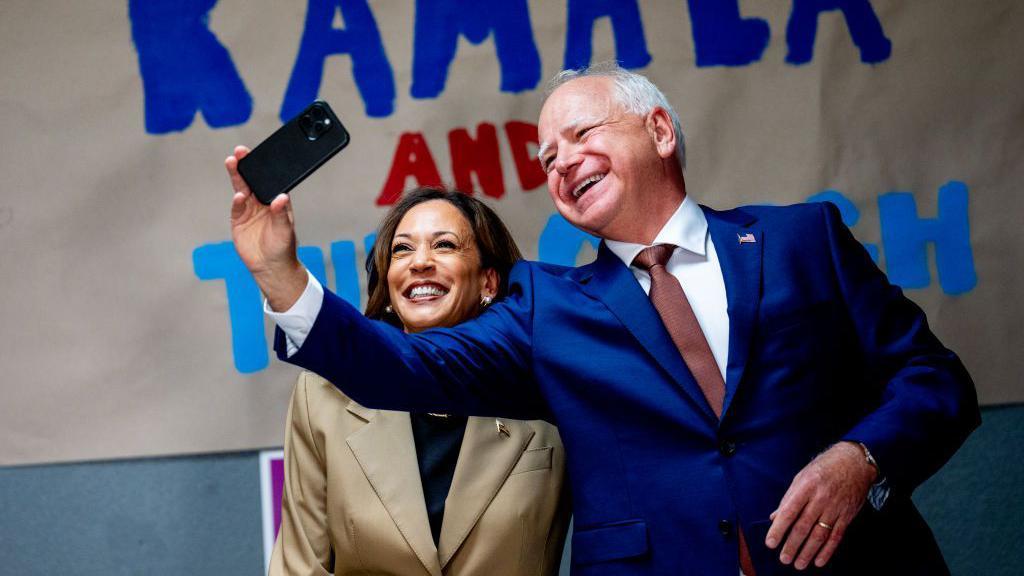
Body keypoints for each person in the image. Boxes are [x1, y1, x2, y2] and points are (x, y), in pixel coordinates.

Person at [228, 65, 979, 576]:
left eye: (582, 136)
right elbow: (400, 366)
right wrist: (278, 274)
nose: (561, 163)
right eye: (547, 157)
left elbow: (936, 383)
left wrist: (862, 459)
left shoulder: (801, 240)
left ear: (657, 130)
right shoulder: (546, 307)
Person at [264, 187, 570, 575]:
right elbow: (299, 565)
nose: (420, 262)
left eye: (444, 245)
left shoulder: (548, 382)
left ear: (489, 283)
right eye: (402, 250)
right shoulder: (322, 396)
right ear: (389, 287)